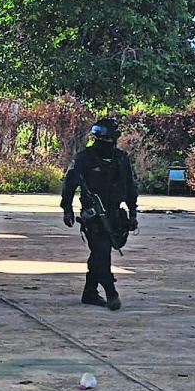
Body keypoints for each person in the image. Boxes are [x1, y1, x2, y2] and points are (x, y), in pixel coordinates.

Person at [60, 118, 138, 311]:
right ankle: (111, 293)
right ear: (96, 138)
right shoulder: (84, 158)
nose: (108, 143)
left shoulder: (121, 158)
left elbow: (130, 187)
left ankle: (90, 292)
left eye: (112, 139)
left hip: (115, 214)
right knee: (101, 252)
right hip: (93, 215)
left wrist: (133, 213)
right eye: (104, 139)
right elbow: (69, 184)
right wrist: (67, 209)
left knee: (100, 253)